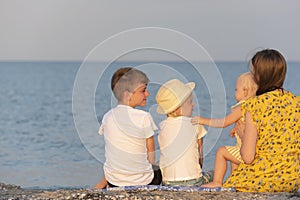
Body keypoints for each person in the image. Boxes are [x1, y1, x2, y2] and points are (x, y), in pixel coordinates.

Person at [222, 49, 299, 192]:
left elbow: (248, 157)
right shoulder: (296, 103)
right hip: (291, 181)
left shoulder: (254, 106)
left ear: (259, 77)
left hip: (262, 180)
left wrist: (243, 133)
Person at [94, 67, 162, 189]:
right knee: (162, 164)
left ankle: (103, 183)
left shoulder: (107, 117)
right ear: (127, 95)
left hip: (114, 181)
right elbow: (151, 155)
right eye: (143, 90)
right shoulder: (144, 117)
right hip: (144, 182)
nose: (148, 94)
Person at [191, 72, 257, 188]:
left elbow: (223, 122)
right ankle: (235, 181)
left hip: (246, 152)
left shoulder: (242, 107)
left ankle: (217, 181)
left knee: (221, 152)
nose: (234, 92)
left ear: (245, 91)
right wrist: (235, 129)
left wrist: (203, 120)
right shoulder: (255, 105)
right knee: (232, 157)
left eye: (237, 90)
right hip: (252, 151)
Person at [156, 79, 213, 186]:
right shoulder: (195, 123)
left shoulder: (162, 127)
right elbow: (200, 155)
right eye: (190, 102)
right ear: (177, 109)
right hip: (193, 181)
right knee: (213, 174)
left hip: (168, 182)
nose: (193, 105)